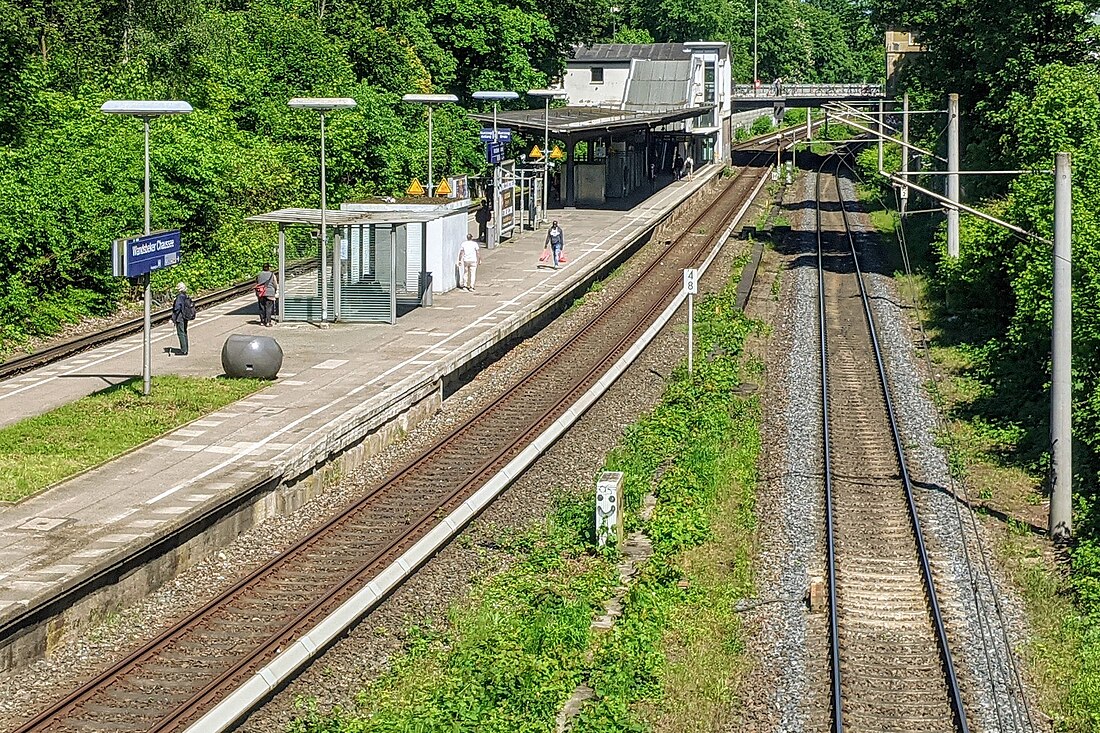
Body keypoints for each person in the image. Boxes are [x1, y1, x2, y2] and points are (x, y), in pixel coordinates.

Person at [170, 283, 196, 356]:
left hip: (180, 317)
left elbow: (177, 308)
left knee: (181, 333)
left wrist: (173, 319)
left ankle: (183, 350)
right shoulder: (186, 296)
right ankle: (186, 349)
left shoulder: (179, 297)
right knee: (184, 332)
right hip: (185, 316)